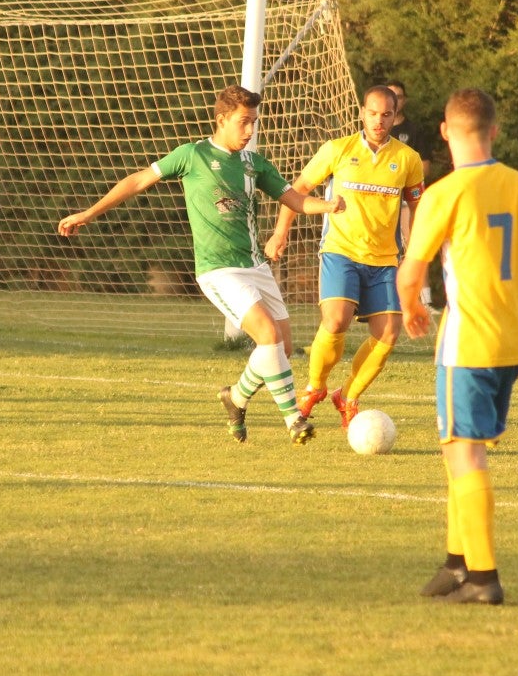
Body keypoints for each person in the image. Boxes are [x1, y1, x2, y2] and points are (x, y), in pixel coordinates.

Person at [58, 85, 345, 445]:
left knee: (281, 350)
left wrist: (328, 206)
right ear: (222, 120)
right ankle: (294, 420)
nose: (249, 131)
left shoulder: (254, 164)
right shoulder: (191, 155)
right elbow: (137, 181)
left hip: (255, 267)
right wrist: (88, 213)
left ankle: (236, 399)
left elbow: (294, 200)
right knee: (268, 337)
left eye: (253, 123)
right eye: (243, 122)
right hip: (218, 270)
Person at [397, 88, 518, 605]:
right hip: (513, 343)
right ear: (494, 131)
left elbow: (412, 269)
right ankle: (456, 564)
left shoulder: (445, 193)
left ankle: (482, 578)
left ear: (444, 131)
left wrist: (410, 306)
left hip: (467, 344)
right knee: (458, 448)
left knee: (465, 456)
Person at [264, 85, 425, 429]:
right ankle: (314, 388)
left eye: (386, 114)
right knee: (336, 321)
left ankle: (347, 395)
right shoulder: (337, 150)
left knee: (389, 334)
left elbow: (417, 204)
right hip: (341, 252)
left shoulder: (408, 160)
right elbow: (296, 191)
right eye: (372, 112)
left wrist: (416, 249)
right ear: (362, 112)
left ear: (395, 116)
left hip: (384, 260)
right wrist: (281, 232)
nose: (379, 121)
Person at [388, 79, 438, 312]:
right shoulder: (377, 129)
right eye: (390, 95)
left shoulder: (413, 131)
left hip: (408, 199)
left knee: (415, 244)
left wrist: (404, 174)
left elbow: (425, 166)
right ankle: (390, 298)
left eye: (398, 95)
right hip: (383, 199)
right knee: (387, 248)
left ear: (404, 100)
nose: (395, 100)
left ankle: (425, 299)